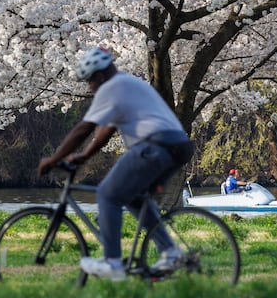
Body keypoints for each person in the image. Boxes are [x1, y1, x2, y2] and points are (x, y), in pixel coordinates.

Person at [37, 47, 195, 281]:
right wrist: (84, 155)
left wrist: (54, 159)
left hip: (153, 146)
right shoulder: (128, 83)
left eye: (90, 81)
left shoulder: (111, 87)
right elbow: (106, 130)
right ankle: (170, 252)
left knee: (108, 194)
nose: (90, 87)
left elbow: (85, 128)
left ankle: (113, 263)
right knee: (134, 197)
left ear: (99, 76)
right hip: (179, 146)